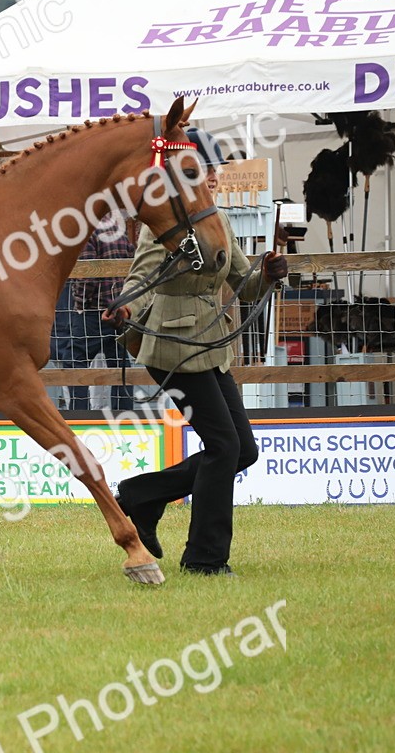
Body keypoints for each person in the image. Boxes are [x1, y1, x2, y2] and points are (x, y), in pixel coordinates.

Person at [103, 127, 289, 577]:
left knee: (242, 449)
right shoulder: (165, 222)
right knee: (224, 445)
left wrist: (269, 274)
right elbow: (141, 279)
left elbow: (244, 284)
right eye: (203, 170)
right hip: (172, 348)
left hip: (211, 347)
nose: (212, 177)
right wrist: (126, 307)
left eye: (213, 170)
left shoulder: (217, 219)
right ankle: (205, 558)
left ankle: (140, 496)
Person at [49, 211, 135, 411]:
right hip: (117, 310)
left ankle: (79, 412)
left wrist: (79, 304)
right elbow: (131, 262)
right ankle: (124, 412)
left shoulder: (86, 230)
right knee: (120, 364)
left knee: (75, 362)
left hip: (92, 312)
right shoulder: (116, 229)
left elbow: (86, 273)